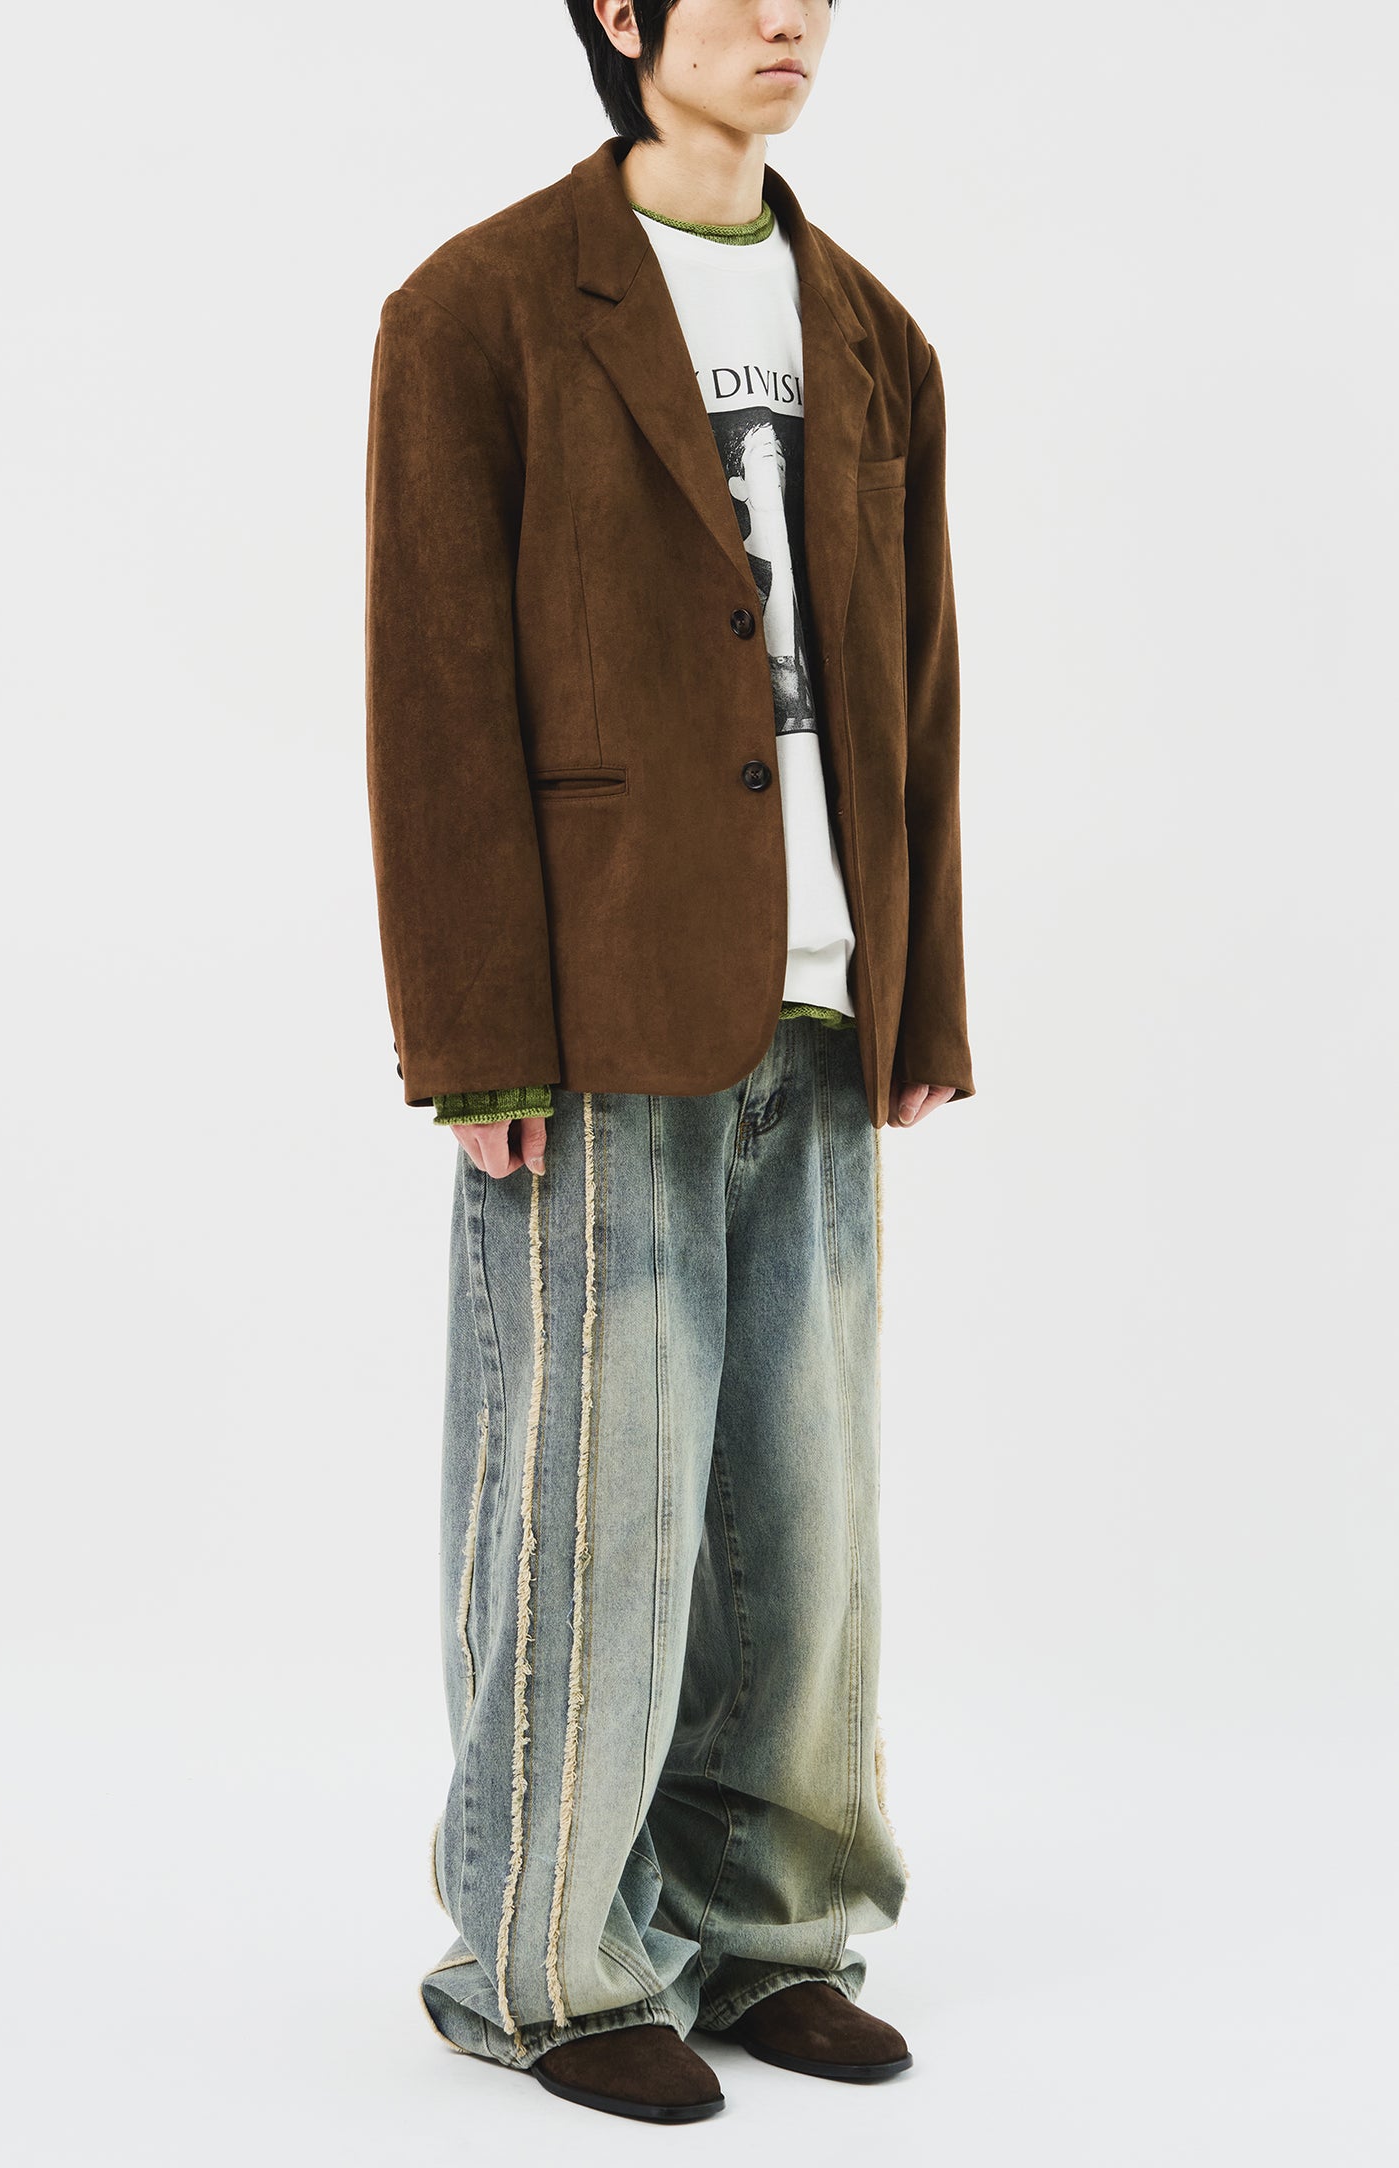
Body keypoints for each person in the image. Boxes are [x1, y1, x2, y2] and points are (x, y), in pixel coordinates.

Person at [364, 0, 975, 2126]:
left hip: (821, 990)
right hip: (597, 999)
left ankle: (771, 1927)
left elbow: (917, 680)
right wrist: (472, 1039)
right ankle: (546, 1965)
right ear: (622, 20)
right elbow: (433, 690)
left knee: (803, 1508)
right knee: (591, 1504)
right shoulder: (478, 312)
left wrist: (924, 987)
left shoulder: (868, 330)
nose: (789, 16)